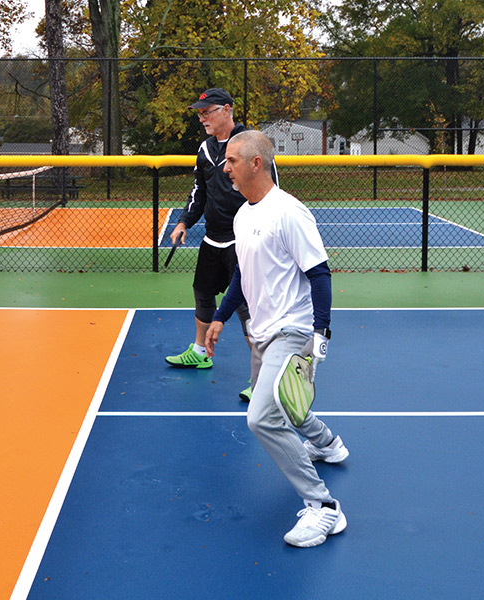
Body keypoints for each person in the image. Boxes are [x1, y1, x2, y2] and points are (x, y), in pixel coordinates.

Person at [205, 130, 349, 548]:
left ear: (255, 163)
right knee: (286, 401)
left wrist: (321, 332)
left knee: (262, 416)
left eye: (232, 160)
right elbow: (241, 276)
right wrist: (219, 317)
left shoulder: (290, 212)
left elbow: (319, 273)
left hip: (293, 329)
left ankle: (324, 508)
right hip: (263, 332)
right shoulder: (243, 214)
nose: (225, 167)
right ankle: (328, 444)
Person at [164, 88, 277, 402]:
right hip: (212, 238)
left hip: (244, 241)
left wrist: (263, 235)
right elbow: (199, 191)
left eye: (207, 111)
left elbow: (271, 190)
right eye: (199, 113)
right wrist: (185, 220)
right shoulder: (205, 148)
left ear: (227, 110)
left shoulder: (252, 144)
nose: (202, 118)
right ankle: (200, 351)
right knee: (202, 291)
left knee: (244, 307)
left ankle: (263, 378)